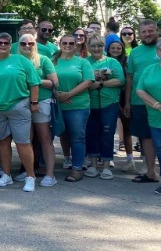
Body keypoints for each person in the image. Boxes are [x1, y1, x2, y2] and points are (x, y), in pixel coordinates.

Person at [0, 33, 40, 191]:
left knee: (23, 142)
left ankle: (30, 176)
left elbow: (34, 83)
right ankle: (6, 175)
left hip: (18, 106)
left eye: (6, 42)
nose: (3, 45)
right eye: (0, 42)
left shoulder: (21, 60)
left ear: (11, 44)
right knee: (2, 142)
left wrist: (34, 102)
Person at [17, 33, 59, 186]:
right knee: (26, 139)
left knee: (44, 138)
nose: (27, 46)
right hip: (21, 103)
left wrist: (34, 80)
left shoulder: (44, 60)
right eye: (23, 44)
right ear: (19, 45)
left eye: (31, 43)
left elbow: (55, 83)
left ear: (35, 44)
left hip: (42, 102)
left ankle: (50, 175)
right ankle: (30, 172)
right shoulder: (16, 60)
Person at [53, 33, 95, 182]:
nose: (68, 45)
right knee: (49, 136)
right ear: (60, 44)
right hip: (56, 105)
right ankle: (45, 167)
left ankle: (77, 169)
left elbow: (88, 81)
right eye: (65, 43)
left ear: (76, 45)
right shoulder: (53, 61)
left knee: (77, 137)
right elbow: (46, 78)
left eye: (71, 43)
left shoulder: (83, 63)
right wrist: (58, 95)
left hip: (78, 105)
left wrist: (69, 95)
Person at [123, 19, 160, 183]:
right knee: (146, 137)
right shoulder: (135, 52)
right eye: (144, 32)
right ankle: (151, 172)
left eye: (150, 31)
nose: (147, 34)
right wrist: (127, 102)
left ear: (156, 30)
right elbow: (130, 78)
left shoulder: (160, 47)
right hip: (140, 101)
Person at [84, 34, 124, 179]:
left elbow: (120, 80)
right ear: (88, 46)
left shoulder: (112, 62)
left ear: (103, 47)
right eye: (93, 45)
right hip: (89, 104)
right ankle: (93, 166)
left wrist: (100, 83)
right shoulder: (84, 62)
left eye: (100, 45)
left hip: (109, 104)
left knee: (107, 134)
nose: (96, 48)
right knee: (91, 134)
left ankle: (106, 166)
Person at [134, 39, 161, 195]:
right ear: (158, 52)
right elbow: (140, 90)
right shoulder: (149, 69)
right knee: (160, 149)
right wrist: (157, 105)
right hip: (155, 117)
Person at [108, 36, 135, 170]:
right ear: (108, 49)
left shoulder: (127, 63)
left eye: (118, 48)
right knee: (108, 128)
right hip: (108, 97)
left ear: (122, 49)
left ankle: (130, 159)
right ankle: (108, 157)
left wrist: (127, 102)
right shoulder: (105, 61)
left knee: (127, 128)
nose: (116, 50)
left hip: (124, 96)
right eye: (113, 48)